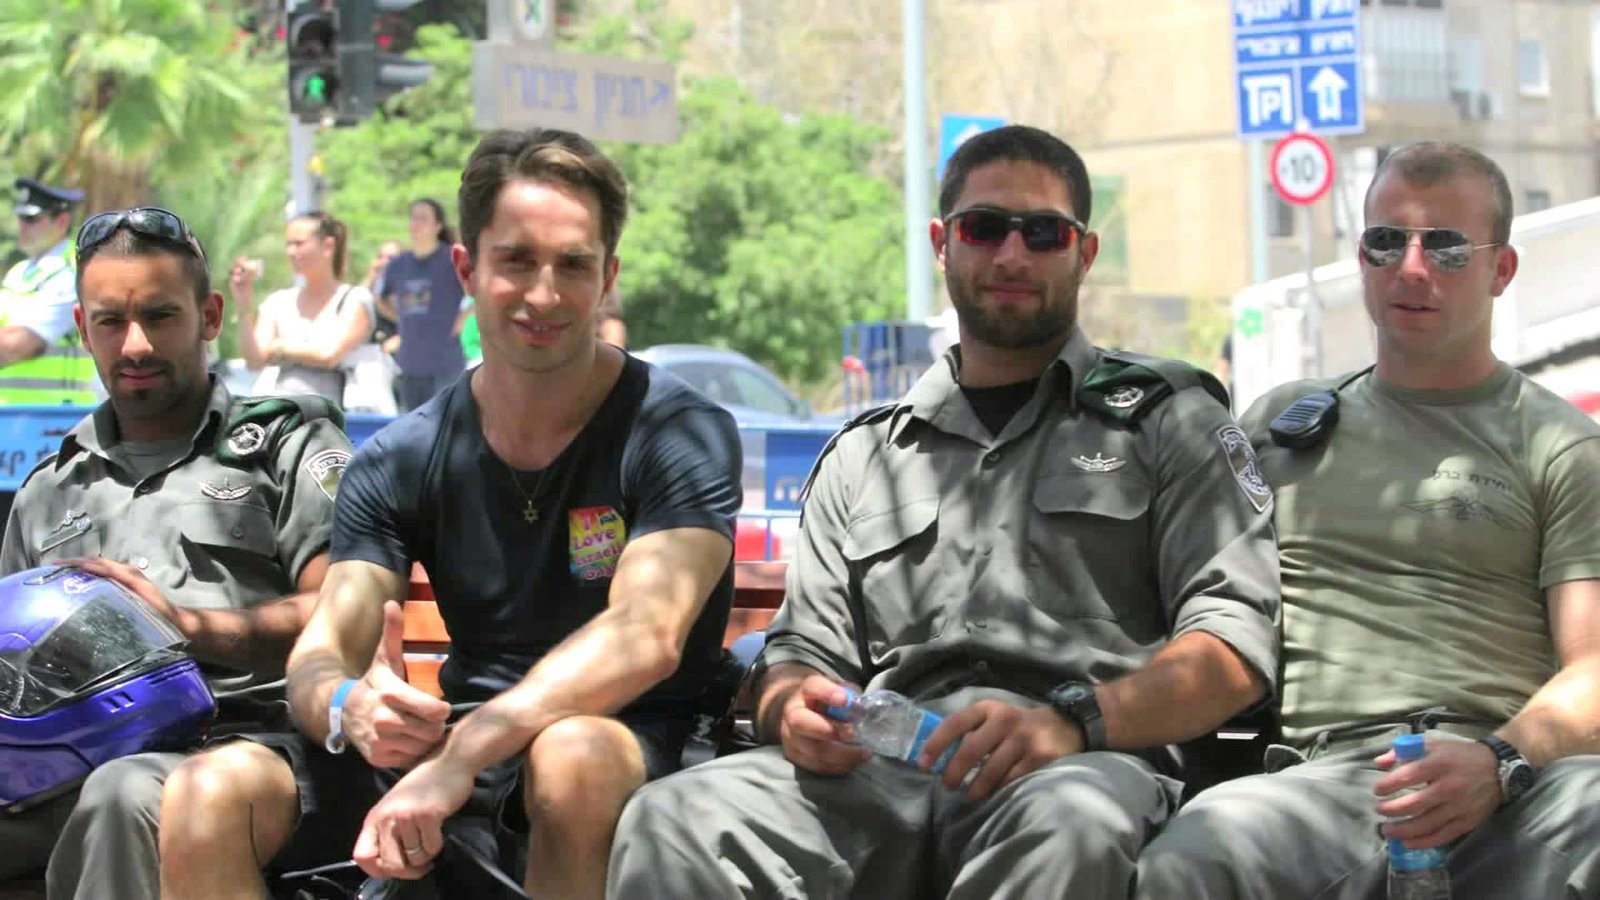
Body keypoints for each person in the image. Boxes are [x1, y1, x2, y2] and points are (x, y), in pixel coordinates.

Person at [607, 124, 1282, 899]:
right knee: (672, 817)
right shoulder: (865, 455)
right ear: (942, 243)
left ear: (1085, 253)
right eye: (984, 227)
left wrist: (1074, 722)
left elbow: (1232, 645)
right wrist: (791, 706)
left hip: (1076, 765)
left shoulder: (1169, 423)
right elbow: (803, 650)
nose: (1012, 255)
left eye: (1044, 233)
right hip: (881, 772)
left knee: (1070, 825)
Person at [157, 128, 744, 900]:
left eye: (573, 265)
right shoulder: (403, 456)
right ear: (467, 269)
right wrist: (350, 706)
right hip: (451, 758)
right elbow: (322, 652)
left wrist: (464, 754)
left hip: (634, 750)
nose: (544, 294)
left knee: (572, 756)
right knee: (205, 795)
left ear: (608, 278)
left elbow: (647, 636)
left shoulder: (677, 430)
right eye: (517, 261)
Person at [1137, 143, 1600, 898]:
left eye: (1447, 248)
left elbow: (1594, 666)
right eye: (1386, 241)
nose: (1411, 269)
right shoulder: (1279, 425)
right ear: (1361, 259)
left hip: (1505, 781)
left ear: (1502, 270)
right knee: (1186, 859)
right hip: (1323, 787)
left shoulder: (1560, 446)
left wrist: (1499, 760)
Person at [0, 206, 352, 898]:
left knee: (124, 794)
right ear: (83, 329)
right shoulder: (50, 488)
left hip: (252, 749)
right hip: (59, 767)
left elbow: (346, 613)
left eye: (160, 317)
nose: (134, 345)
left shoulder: (285, 448)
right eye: (111, 322)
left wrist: (187, 628)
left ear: (210, 316)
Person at [232, 211, 375, 406]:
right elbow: (255, 361)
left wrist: (280, 347)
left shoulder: (355, 299)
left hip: (330, 413)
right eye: (288, 244)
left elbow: (328, 355)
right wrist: (243, 304)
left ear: (328, 246)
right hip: (282, 409)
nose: (291, 252)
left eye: (299, 244)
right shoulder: (279, 301)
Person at [0, 177, 98, 404]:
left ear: (62, 221)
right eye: (20, 218)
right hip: (12, 413)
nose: (22, 226)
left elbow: (19, 345)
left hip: (57, 414)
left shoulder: (71, 273)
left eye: (31, 219)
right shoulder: (19, 273)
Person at [380, 198, 467, 411]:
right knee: (412, 425)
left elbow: (481, 291)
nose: (416, 223)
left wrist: (463, 318)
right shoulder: (398, 264)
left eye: (423, 218)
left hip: (446, 364)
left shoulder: (453, 259)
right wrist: (401, 319)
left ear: (438, 226)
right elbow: (381, 298)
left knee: (444, 424)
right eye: (413, 218)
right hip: (409, 363)